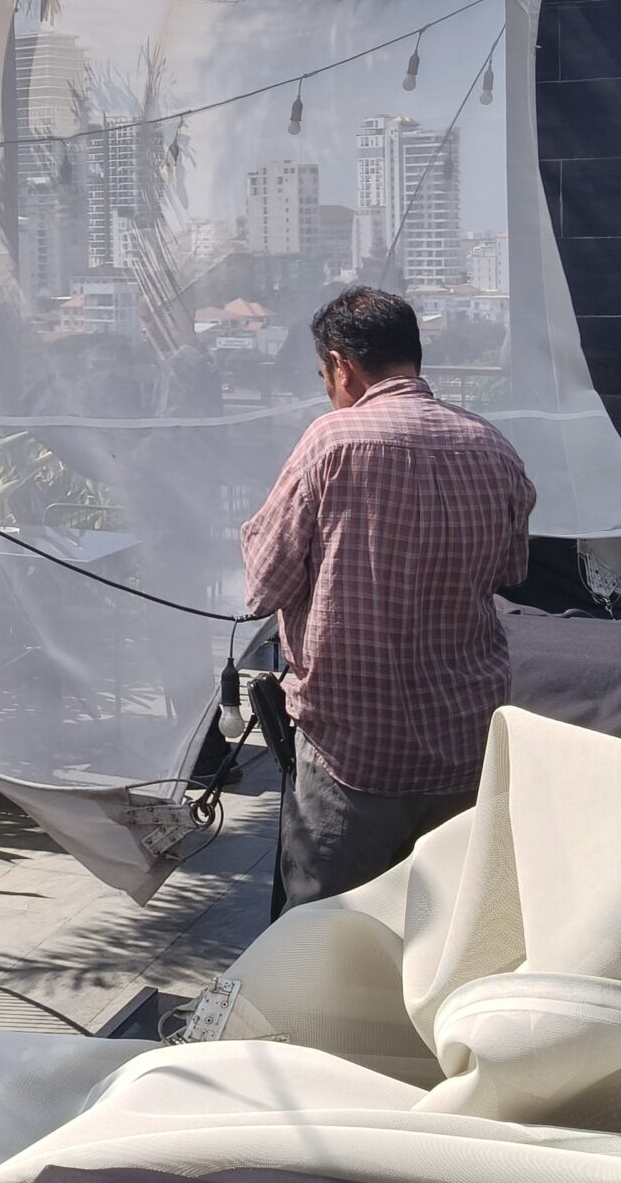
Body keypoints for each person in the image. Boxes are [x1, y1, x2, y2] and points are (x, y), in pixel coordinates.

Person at [241, 285, 535, 915]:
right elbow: (511, 571)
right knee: (447, 937)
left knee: (325, 947)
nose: (327, 389)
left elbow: (264, 585)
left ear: (342, 365)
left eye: (325, 375)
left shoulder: (331, 443)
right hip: (466, 746)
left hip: (353, 752)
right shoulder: (492, 446)